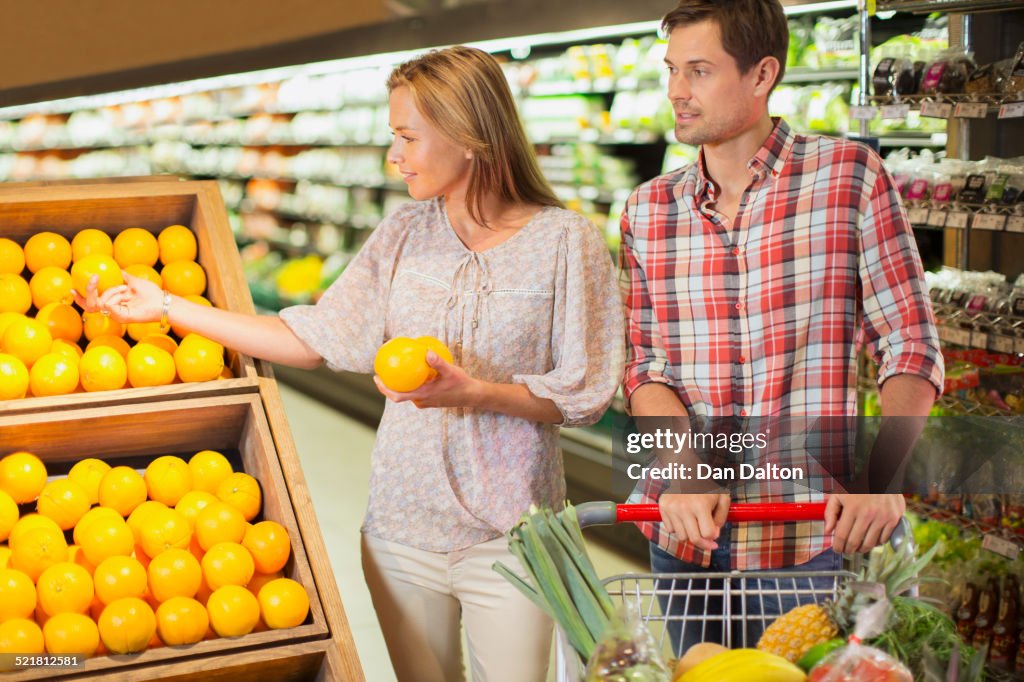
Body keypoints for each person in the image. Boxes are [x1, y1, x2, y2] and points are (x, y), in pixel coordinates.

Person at [78, 46, 624, 682]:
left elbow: (582, 392)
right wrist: (166, 305)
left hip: (515, 533)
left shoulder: (565, 241)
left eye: (406, 137)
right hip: (401, 529)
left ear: (470, 135)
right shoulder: (401, 234)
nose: (394, 156)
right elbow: (312, 337)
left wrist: (477, 392)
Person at [618, 0, 943, 652]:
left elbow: (909, 343)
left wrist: (881, 485)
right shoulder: (649, 210)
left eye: (700, 71)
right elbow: (646, 370)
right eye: (672, 70)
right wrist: (687, 476)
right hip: (687, 541)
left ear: (762, 73)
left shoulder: (850, 178)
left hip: (810, 538)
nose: (677, 92)